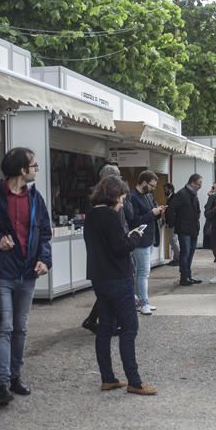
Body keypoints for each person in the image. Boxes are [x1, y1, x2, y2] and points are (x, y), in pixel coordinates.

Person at [0, 147, 52, 406]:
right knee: (4, 328)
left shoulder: (36, 198)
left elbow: (44, 234)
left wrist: (44, 260)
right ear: (21, 169)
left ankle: (16, 376)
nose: (36, 168)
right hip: (0, 272)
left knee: (21, 328)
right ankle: (3, 384)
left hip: (27, 273)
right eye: (33, 165)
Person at [84, 176, 156, 396]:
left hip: (99, 276)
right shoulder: (110, 216)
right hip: (117, 277)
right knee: (129, 328)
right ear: (113, 196)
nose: (123, 203)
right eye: (122, 198)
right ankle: (134, 381)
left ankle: (108, 378)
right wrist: (134, 237)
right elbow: (120, 247)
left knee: (105, 327)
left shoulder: (91, 214)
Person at [82, 163, 124, 334]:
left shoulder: (106, 200)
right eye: (118, 177)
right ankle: (106, 325)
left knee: (106, 294)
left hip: (103, 258)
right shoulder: (102, 203)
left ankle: (96, 321)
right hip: (106, 258)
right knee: (109, 293)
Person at [126, 171, 164, 315]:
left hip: (148, 238)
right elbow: (133, 221)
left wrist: (158, 211)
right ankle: (144, 303)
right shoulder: (132, 197)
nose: (153, 189)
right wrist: (152, 214)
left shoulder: (147, 195)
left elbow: (150, 214)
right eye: (152, 186)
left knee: (141, 272)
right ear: (144, 183)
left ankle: (138, 301)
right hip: (139, 240)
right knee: (143, 272)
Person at [167, 174, 202, 287]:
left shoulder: (193, 194)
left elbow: (197, 210)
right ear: (192, 182)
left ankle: (188, 275)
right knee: (185, 252)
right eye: (199, 184)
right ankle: (184, 277)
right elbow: (171, 208)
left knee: (190, 252)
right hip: (184, 229)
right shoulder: (182, 194)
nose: (200, 186)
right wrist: (172, 224)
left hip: (193, 228)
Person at [164, 182, 180, 266]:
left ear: (170, 189)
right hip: (171, 223)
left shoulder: (174, 198)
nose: (165, 191)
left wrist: (171, 223)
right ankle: (176, 258)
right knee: (172, 240)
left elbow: (173, 212)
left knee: (173, 240)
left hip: (173, 223)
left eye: (166, 189)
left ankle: (177, 258)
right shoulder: (170, 198)